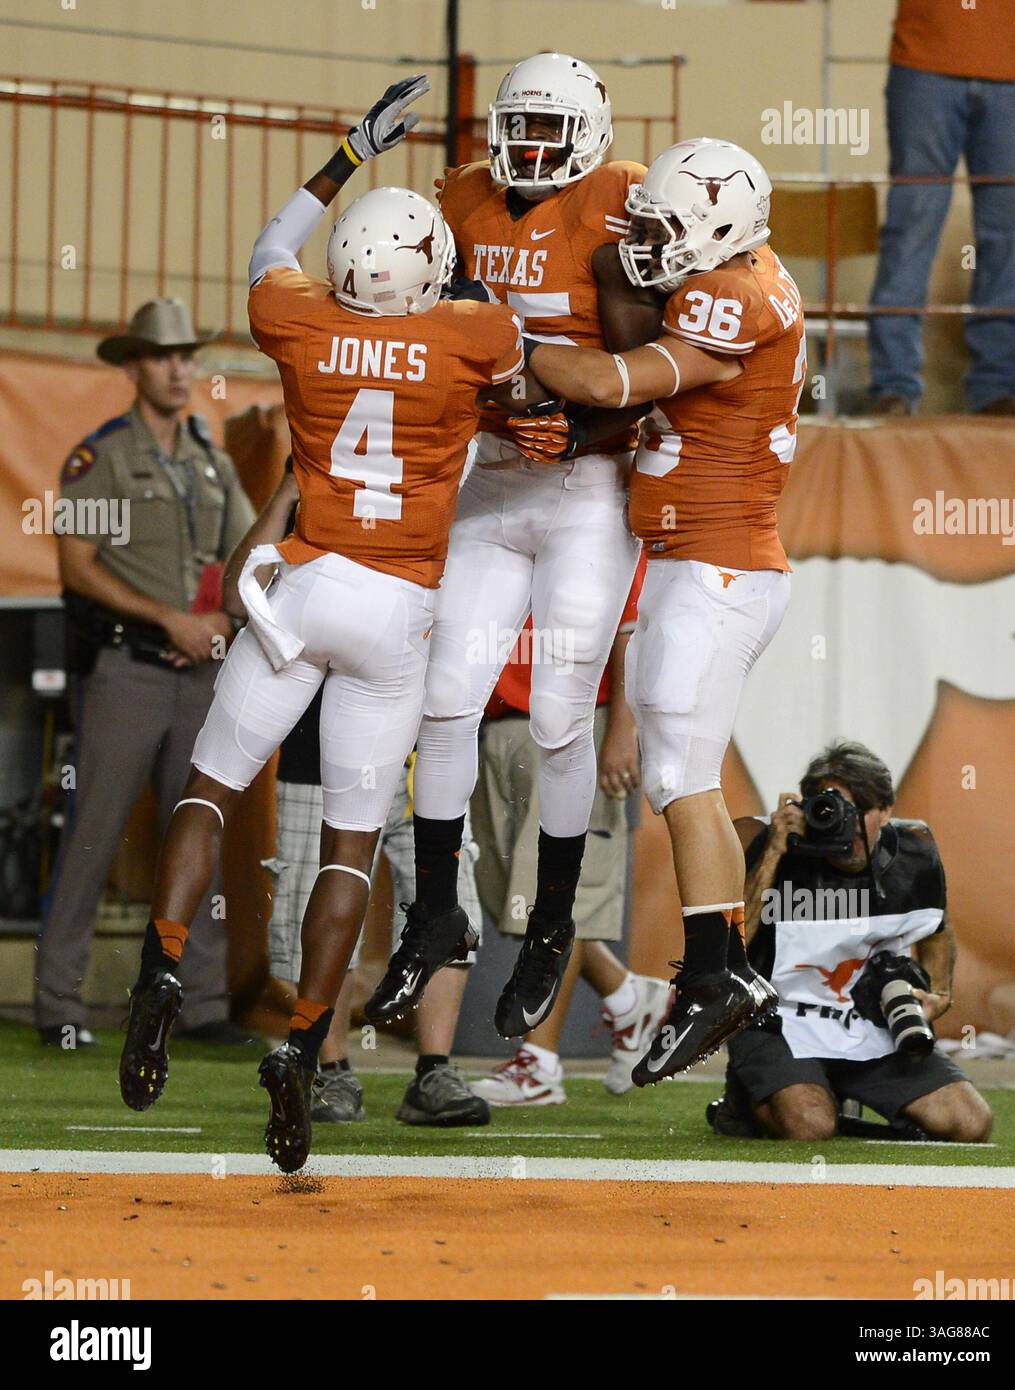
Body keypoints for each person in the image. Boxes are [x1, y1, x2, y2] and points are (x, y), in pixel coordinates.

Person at [116, 76, 526, 1174]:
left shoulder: (295, 318)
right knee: (351, 847)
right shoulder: (467, 336)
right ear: (424, 276)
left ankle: (159, 962)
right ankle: (306, 1040)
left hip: (299, 589)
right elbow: (513, 338)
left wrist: (350, 147)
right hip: (396, 612)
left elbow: (270, 243)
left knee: (208, 788)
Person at [366, 52, 662, 1047]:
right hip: (493, 476)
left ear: (589, 134)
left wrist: (575, 429)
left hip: (585, 484)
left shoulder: (618, 209)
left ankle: (551, 921)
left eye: (549, 130)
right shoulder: (460, 197)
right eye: (518, 127)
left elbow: (646, 375)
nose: (529, 149)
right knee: (445, 696)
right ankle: (435, 911)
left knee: (560, 712)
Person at [521, 138, 804, 1084]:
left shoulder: (734, 296)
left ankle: (718, 979)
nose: (648, 243)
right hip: (708, 566)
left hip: (715, 570)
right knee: (680, 777)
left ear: (720, 230)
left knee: (681, 775)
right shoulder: (739, 272)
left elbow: (608, 382)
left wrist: (502, 341)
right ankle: (719, 975)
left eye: (667, 228)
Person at [221, 469, 489, 1127]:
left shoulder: (429, 497)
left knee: (451, 906)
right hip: (321, 751)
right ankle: (329, 1068)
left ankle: (433, 1071)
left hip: (424, 748)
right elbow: (238, 591)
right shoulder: (312, 497)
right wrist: (289, 487)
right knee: (312, 909)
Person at [35, 298, 256, 1048]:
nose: (178, 368)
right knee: (92, 836)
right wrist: (171, 618)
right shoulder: (103, 457)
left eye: (187, 355)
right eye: (163, 356)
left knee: (198, 834)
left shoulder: (210, 458)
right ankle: (60, 1005)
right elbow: (75, 566)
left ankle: (199, 1005)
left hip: (201, 676)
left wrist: (228, 616)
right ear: (133, 366)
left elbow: (245, 555)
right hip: (129, 668)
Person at [708, 741, 992, 1144]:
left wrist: (940, 991)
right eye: (831, 809)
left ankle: (830, 1091)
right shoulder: (760, 839)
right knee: (810, 1127)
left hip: (867, 1021)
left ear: (887, 811)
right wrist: (773, 851)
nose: (844, 824)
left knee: (969, 1123)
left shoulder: (913, 851)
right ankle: (745, 1100)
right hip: (777, 1022)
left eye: (859, 809)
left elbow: (936, 926)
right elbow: (728, 944)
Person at [469, 558, 671, 1104]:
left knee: (561, 897)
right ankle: (629, 999)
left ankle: (539, 1064)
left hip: (580, 720)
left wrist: (623, 732)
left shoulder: (602, 512)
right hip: (498, 720)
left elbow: (631, 634)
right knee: (512, 898)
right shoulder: (502, 506)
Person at [868, 0, 1015, 414]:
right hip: (923, 65)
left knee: (1009, 231)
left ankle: (998, 386)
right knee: (911, 226)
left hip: (1009, 71)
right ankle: (893, 385)